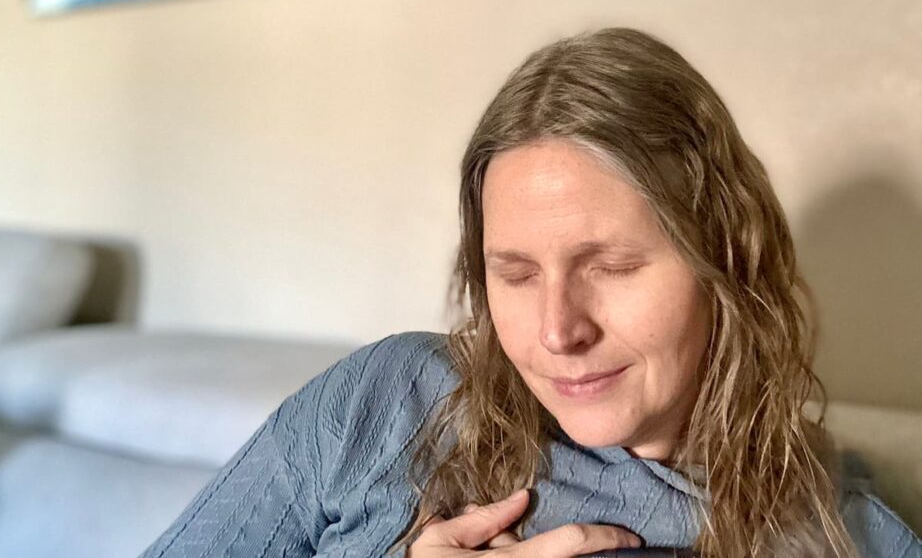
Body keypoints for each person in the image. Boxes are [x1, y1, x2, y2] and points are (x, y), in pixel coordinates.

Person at [140, 29, 921, 558]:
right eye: (514, 274)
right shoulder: (385, 404)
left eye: (611, 266)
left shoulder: (839, 532)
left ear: (728, 259)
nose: (556, 331)